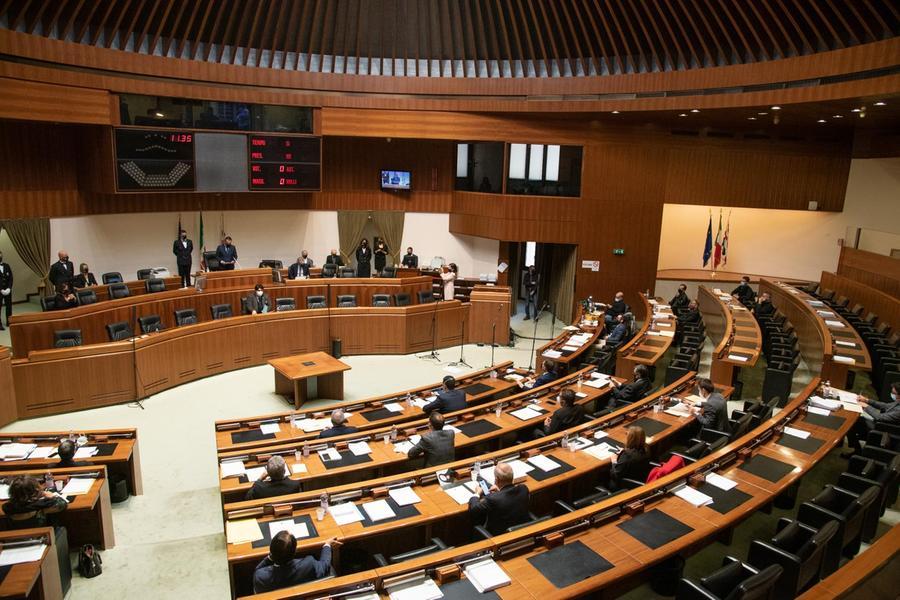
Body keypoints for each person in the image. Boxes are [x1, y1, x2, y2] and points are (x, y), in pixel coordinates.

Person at [252, 531, 340, 593]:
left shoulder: (260, 577)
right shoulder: (309, 565)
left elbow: (257, 570)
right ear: (295, 551)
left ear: (271, 550)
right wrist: (327, 545)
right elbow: (324, 565)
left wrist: (271, 557)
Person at [468, 462, 530, 536]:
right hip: (522, 531)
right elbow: (508, 499)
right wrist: (500, 492)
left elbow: (474, 509)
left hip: (500, 536)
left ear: (497, 480)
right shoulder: (523, 489)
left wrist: (477, 494)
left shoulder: (493, 498)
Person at [844, 382, 900, 457]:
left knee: (851, 423)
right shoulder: (898, 402)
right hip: (881, 425)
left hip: (883, 431)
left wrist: (866, 406)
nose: (891, 394)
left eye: (894, 393)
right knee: (854, 420)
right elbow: (885, 406)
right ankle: (856, 449)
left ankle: (857, 451)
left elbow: (880, 417)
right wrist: (867, 400)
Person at [1, 475, 67, 529]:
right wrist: (52, 496)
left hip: (16, 541)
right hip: (43, 539)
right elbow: (63, 504)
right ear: (36, 491)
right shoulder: (41, 507)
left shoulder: (7, 508)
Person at [0, 252, 11, 329]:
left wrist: (9, 288)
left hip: (7, 290)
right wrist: (0, 289)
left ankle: (9, 321)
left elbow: (11, 278)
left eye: (1, 255)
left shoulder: (7, 266)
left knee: (9, 306)